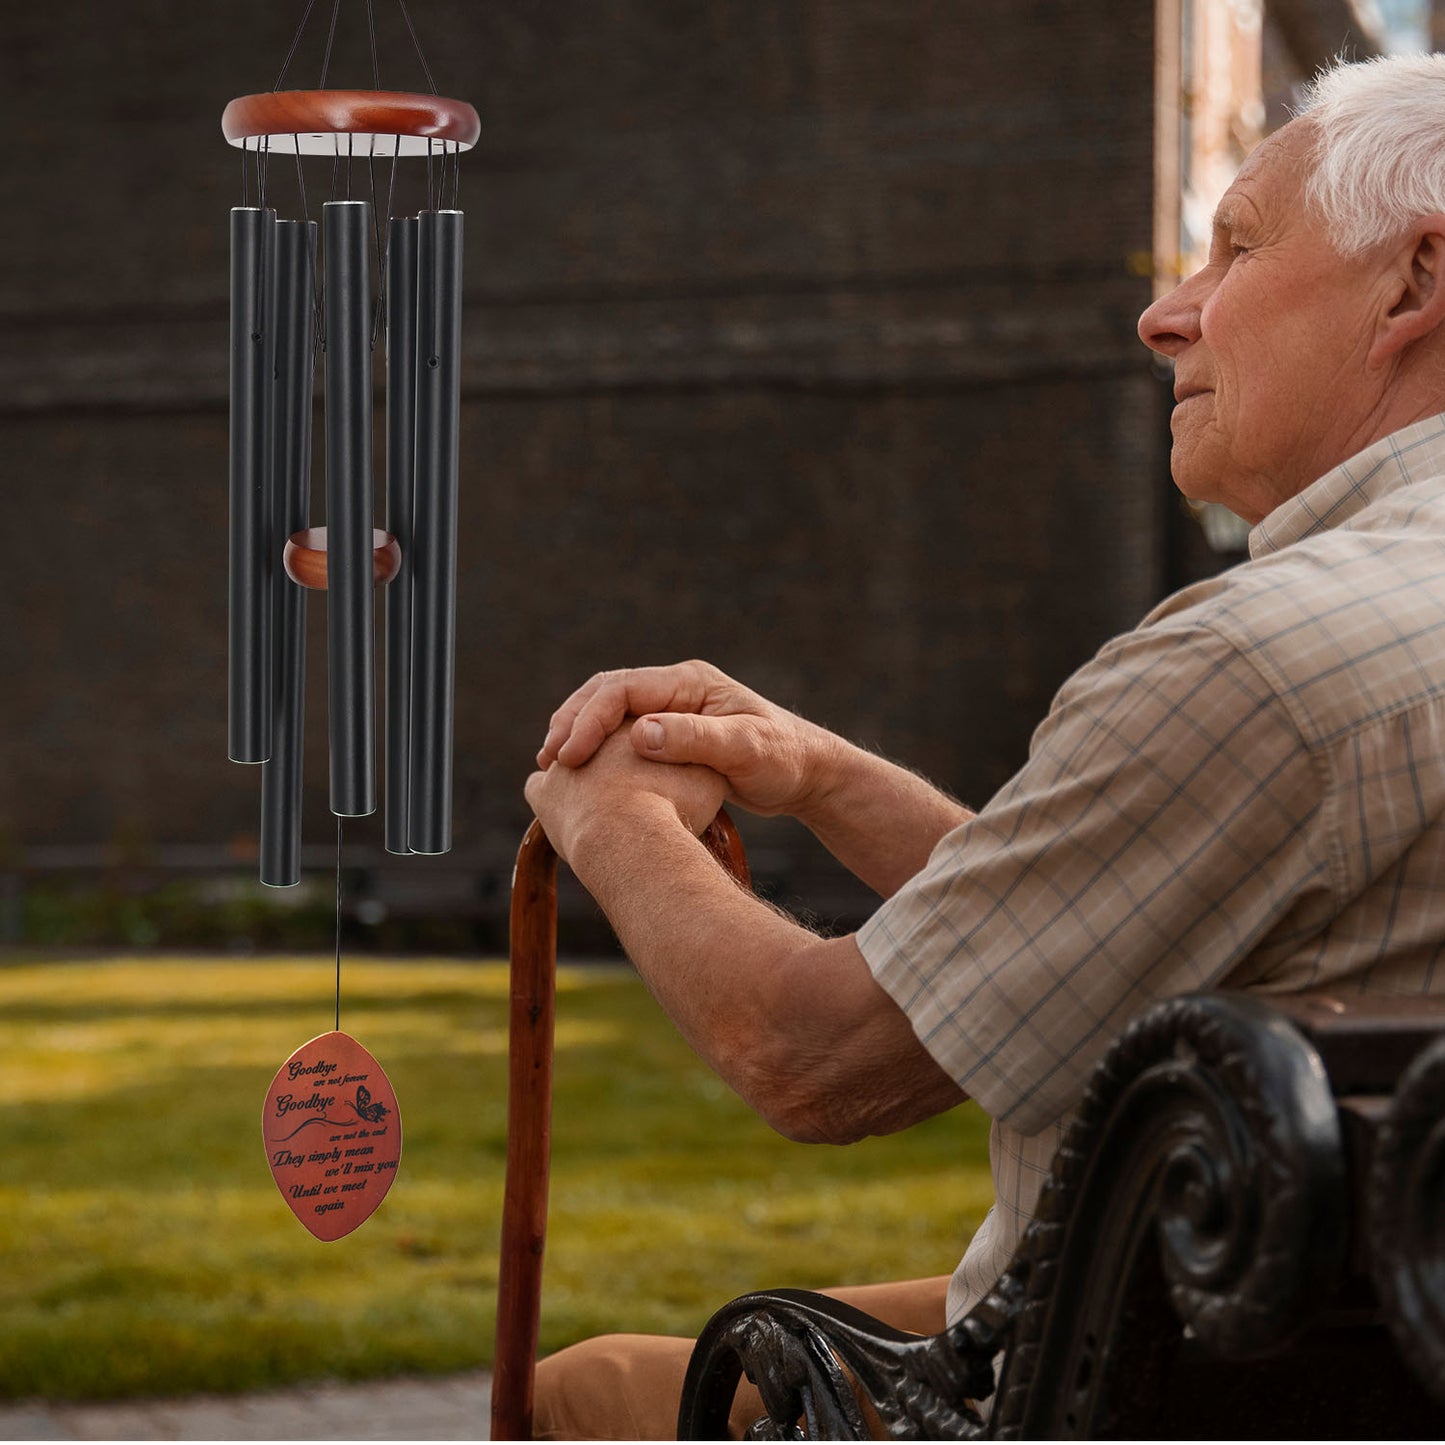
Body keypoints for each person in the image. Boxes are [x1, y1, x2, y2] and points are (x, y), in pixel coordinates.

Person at [524, 52, 1445, 1439]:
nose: (1160, 315)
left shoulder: (1257, 664)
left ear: (1414, 285)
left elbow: (818, 1057)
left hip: (1155, 1390)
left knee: (579, 1395)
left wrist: (608, 820)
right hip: (1372, 1357)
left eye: (1235, 249)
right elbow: (1073, 935)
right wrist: (828, 778)